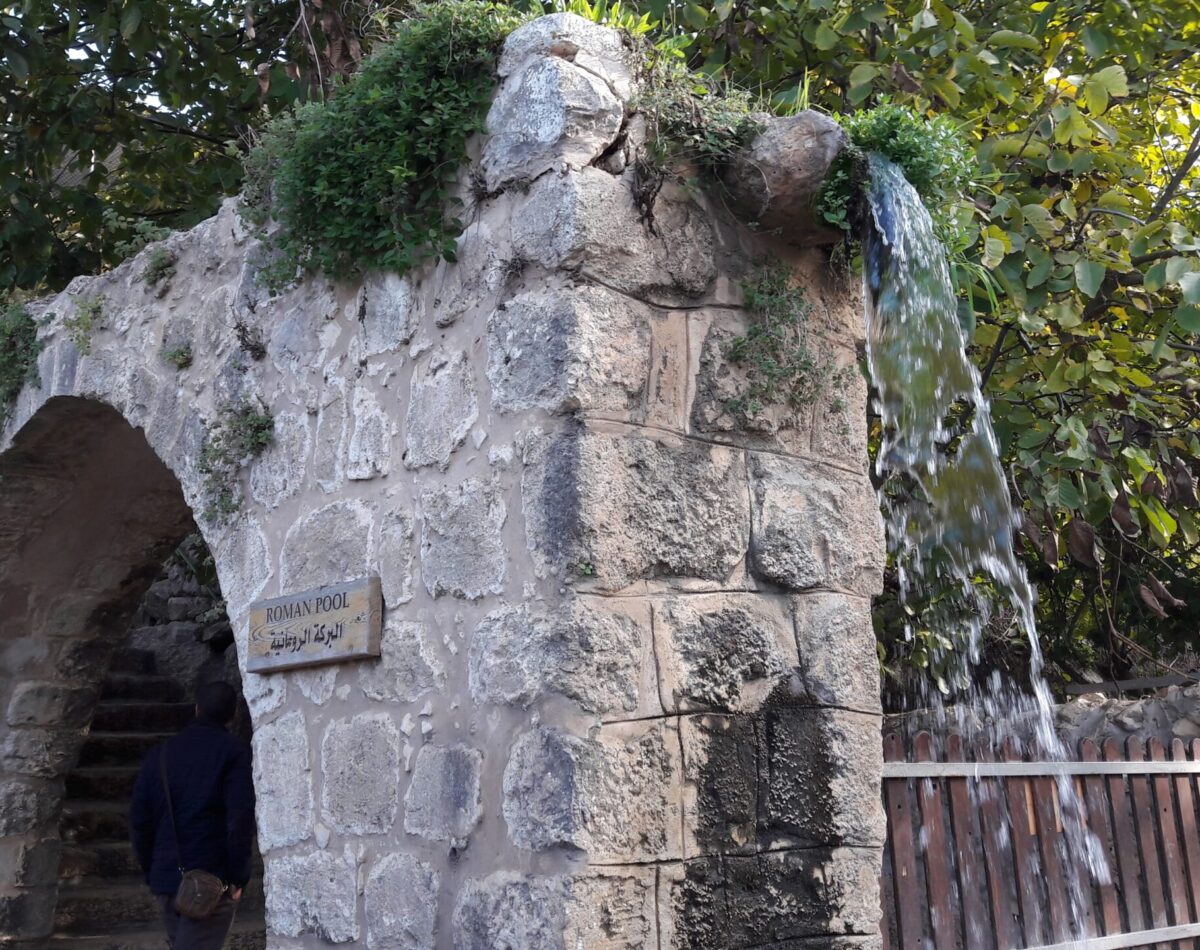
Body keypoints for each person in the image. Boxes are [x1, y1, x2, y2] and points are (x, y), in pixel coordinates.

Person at [130, 681, 256, 950]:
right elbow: (239, 819)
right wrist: (238, 876)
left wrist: (152, 870)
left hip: (166, 877)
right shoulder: (234, 753)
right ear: (233, 715)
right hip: (210, 881)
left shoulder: (160, 755)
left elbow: (140, 822)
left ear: (196, 709)